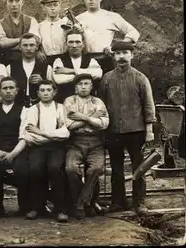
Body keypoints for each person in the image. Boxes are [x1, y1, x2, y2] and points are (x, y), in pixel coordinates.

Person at [98, 42, 156, 215]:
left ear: (132, 55)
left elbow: (148, 105)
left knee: (139, 167)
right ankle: (118, 202)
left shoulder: (140, 78)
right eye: (118, 53)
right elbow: (101, 105)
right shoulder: (106, 79)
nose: (122, 57)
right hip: (113, 131)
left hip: (136, 131)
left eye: (125, 53)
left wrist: (149, 130)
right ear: (114, 57)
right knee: (116, 169)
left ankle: (139, 202)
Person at [22, 80, 71, 222]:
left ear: (54, 92)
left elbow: (65, 132)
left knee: (55, 169)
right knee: (36, 169)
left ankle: (60, 208)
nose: (45, 93)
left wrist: (42, 133)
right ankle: (37, 207)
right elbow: (29, 133)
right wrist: (50, 136)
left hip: (56, 148)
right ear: (37, 93)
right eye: (42, 90)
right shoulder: (32, 110)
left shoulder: (61, 108)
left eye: (48, 90)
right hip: (38, 147)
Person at [64, 74, 109, 219]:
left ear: (91, 86)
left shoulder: (98, 102)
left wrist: (83, 117)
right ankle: (88, 202)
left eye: (86, 84)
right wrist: (92, 117)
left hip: (96, 142)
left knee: (95, 169)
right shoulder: (69, 101)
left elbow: (104, 124)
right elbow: (69, 125)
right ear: (75, 87)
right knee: (71, 169)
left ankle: (80, 203)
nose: (83, 87)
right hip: (75, 142)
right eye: (80, 84)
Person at [0, 77, 30, 216]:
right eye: (5, 88)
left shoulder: (24, 110)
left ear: (16, 91)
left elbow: (24, 136)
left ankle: (24, 206)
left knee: (23, 170)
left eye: (11, 88)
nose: (8, 91)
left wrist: (13, 154)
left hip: (17, 149)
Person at [75, 0, 140, 73]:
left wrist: (116, 46)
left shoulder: (111, 16)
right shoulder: (78, 19)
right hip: (85, 59)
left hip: (105, 59)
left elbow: (133, 32)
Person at [0, 0, 45, 66]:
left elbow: (35, 40)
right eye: (11, 1)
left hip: (30, 60)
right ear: (6, 3)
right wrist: (23, 40)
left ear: (22, 2)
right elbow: (2, 43)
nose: (14, 4)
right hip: (8, 60)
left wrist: (11, 45)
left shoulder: (32, 20)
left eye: (17, 0)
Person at [52, 29, 102, 102]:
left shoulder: (91, 60)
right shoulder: (59, 61)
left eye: (77, 42)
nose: (74, 45)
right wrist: (86, 73)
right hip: (65, 100)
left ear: (83, 44)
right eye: (71, 42)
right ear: (66, 44)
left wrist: (71, 71)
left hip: (88, 102)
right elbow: (59, 80)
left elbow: (98, 74)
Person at [6, 33, 53, 108]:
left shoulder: (47, 67)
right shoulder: (10, 67)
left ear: (37, 47)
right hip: (17, 106)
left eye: (32, 45)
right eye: (25, 45)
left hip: (40, 106)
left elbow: (53, 89)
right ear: (20, 47)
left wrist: (42, 82)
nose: (28, 48)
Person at [37, 0, 67, 64]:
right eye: (49, 5)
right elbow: (36, 42)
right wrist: (37, 51)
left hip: (64, 59)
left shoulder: (66, 24)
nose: (52, 8)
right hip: (46, 60)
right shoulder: (39, 26)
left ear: (60, 6)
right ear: (44, 8)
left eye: (55, 5)